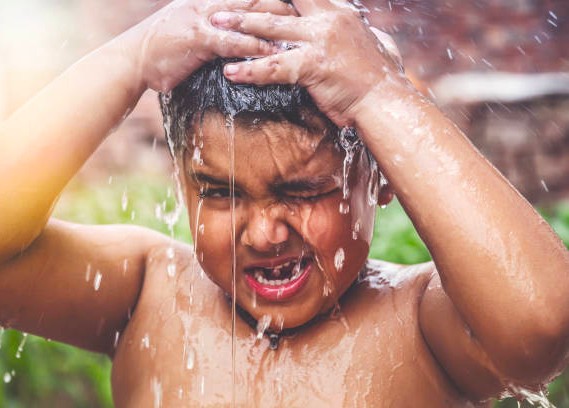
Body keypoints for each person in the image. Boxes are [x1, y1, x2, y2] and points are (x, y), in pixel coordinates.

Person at [1, 0, 569, 406]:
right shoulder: (144, 294)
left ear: (383, 177)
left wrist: (377, 93)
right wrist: (133, 56)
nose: (265, 233)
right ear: (183, 182)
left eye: (303, 192)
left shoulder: (423, 326)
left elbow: (540, 327)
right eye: (221, 193)